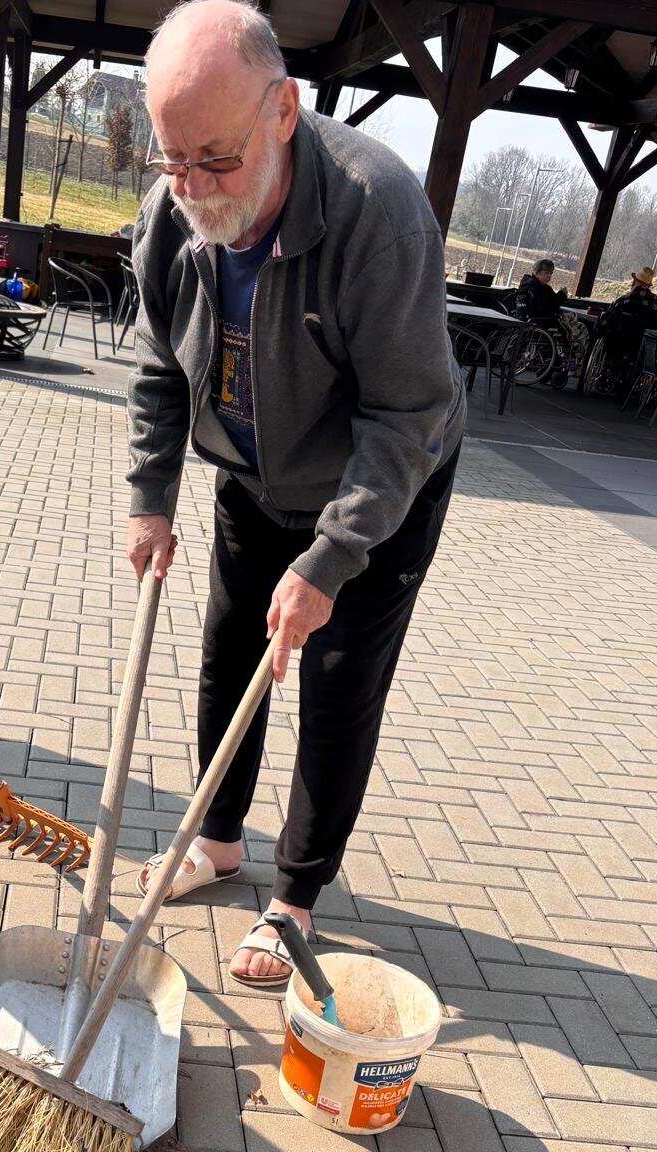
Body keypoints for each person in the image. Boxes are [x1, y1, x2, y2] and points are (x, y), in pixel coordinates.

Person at [127, 0, 465, 986]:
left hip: (378, 488)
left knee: (334, 683)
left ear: (284, 110)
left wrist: (328, 561)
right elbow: (159, 363)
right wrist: (151, 496)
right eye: (171, 159)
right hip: (253, 472)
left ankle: (294, 898)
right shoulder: (174, 211)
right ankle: (216, 837)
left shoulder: (377, 213)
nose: (191, 187)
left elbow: (406, 415)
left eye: (215, 160)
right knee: (230, 652)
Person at [595, 267, 657, 393]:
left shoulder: (623, 300)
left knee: (601, 333)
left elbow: (605, 321)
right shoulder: (656, 303)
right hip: (641, 348)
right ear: (648, 285)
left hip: (616, 344)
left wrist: (599, 328)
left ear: (635, 281)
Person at [515, 259, 568, 325]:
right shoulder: (535, 288)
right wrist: (562, 295)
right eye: (546, 273)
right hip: (538, 323)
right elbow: (548, 309)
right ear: (537, 273)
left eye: (551, 273)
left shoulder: (529, 284)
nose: (549, 276)